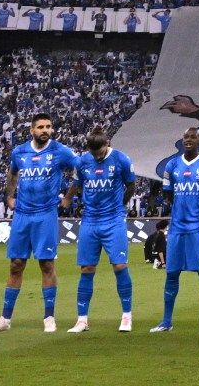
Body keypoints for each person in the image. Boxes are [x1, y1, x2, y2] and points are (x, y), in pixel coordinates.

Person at [0, 112, 80, 332]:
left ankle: (49, 318)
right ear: (32, 130)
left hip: (46, 214)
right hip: (22, 214)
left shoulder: (60, 151)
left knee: (47, 264)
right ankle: (5, 319)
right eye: (40, 127)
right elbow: (12, 174)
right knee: (16, 264)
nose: (46, 130)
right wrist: (9, 196)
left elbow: (81, 171)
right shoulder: (20, 151)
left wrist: (68, 197)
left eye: (49, 126)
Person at [152, 124, 199, 331]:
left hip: (198, 227)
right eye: (185, 137)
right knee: (171, 273)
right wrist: (177, 208)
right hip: (176, 228)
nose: (188, 140)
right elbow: (167, 191)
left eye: (192, 137)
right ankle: (166, 322)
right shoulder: (172, 165)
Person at [71, 124, 138, 333]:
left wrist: (121, 205)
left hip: (113, 220)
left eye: (100, 152)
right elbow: (79, 183)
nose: (97, 156)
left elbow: (131, 186)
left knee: (119, 266)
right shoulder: (82, 162)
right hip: (90, 221)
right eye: (94, 153)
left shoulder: (121, 159)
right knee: (87, 268)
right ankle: (82, 319)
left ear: (107, 144)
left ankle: (126, 316)